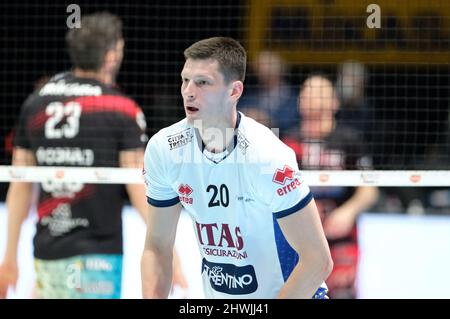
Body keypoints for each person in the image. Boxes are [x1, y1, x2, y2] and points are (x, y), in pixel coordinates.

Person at [0, 12, 186, 299]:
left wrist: (9, 258)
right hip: (97, 256)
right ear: (112, 56)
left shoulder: (36, 103)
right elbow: (139, 187)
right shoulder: (120, 107)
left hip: (47, 251)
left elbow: (20, 184)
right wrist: (168, 251)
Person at [141, 37, 333, 299]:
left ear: (234, 92)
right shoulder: (164, 149)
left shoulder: (267, 157)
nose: (188, 91)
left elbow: (318, 261)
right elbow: (157, 246)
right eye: (185, 80)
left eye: (203, 82)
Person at [283, 75, 379, 298]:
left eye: (318, 93)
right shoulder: (288, 142)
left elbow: (370, 190)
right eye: (306, 93)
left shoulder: (350, 140)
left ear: (334, 102)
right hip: (300, 240)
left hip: (341, 238)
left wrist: (349, 211)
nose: (310, 99)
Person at [238, 50, 299, 136]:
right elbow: (236, 113)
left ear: (280, 70)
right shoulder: (250, 96)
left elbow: (294, 123)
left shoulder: (294, 98)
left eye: (268, 68)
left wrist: (269, 121)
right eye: (260, 69)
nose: (264, 72)